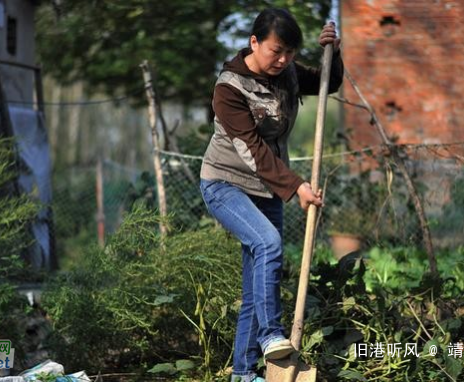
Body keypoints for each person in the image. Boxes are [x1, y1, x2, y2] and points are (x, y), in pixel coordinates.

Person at [199, 8, 344, 382]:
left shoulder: (288, 72)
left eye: (290, 53)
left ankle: (244, 374)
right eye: (275, 51)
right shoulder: (228, 88)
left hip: (266, 189)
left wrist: (333, 51)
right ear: (254, 42)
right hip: (225, 183)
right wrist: (296, 187)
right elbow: (252, 150)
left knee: (255, 289)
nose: (282, 60)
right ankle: (271, 336)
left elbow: (328, 82)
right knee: (268, 243)